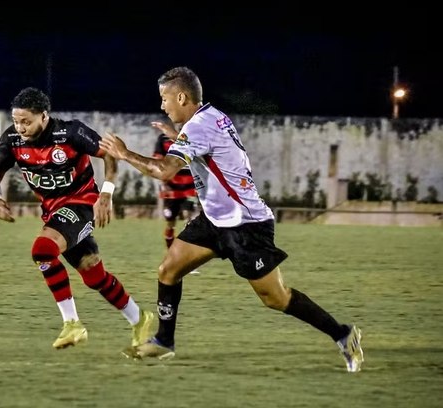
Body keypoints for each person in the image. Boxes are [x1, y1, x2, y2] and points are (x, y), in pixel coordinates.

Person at [99, 67, 364, 372]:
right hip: (215, 219)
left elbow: (165, 172)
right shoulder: (212, 116)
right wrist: (178, 137)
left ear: (182, 97)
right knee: (168, 270)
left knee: (276, 298)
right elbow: (215, 153)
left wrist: (124, 153)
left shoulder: (198, 128)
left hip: (246, 225)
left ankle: (343, 334)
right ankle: (164, 342)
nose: (162, 106)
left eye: (165, 98)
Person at [0, 87, 154, 350]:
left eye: (26, 122)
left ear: (44, 116)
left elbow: (109, 153)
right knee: (93, 275)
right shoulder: (12, 141)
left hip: (82, 204)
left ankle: (72, 324)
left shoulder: (71, 132)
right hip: (54, 213)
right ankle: (140, 319)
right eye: (16, 121)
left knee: (42, 250)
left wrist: (106, 194)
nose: (20, 127)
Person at [152, 124, 201, 275]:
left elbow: (200, 160)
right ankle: (172, 256)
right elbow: (158, 161)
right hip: (172, 189)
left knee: (190, 219)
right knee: (170, 223)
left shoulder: (192, 135)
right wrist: (163, 183)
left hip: (189, 187)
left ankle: (187, 259)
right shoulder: (163, 139)